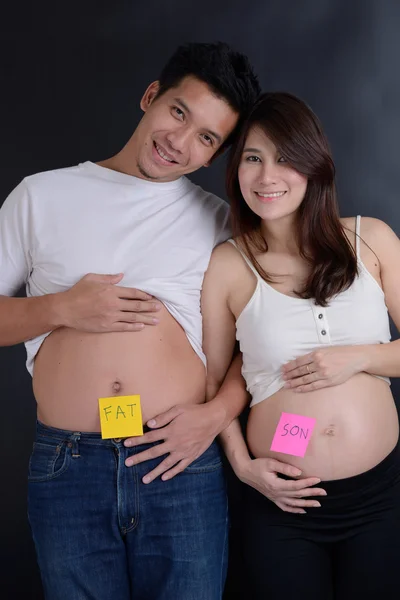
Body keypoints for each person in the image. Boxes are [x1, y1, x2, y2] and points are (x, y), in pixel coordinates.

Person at [0, 42, 268, 600]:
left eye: (206, 138)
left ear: (215, 154)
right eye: (178, 112)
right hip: (69, 467)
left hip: (180, 461)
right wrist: (61, 308)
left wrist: (215, 415)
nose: (180, 142)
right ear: (151, 97)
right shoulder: (41, 195)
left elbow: (267, 341)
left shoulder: (221, 222)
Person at [202, 91, 400, 600]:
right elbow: (215, 381)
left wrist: (360, 357)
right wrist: (243, 466)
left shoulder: (371, 239)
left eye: (286, 158)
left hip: (379, 497)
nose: (268, 176)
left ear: (314, 163)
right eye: (253, 158)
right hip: (282, 505)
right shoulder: (228, 264)